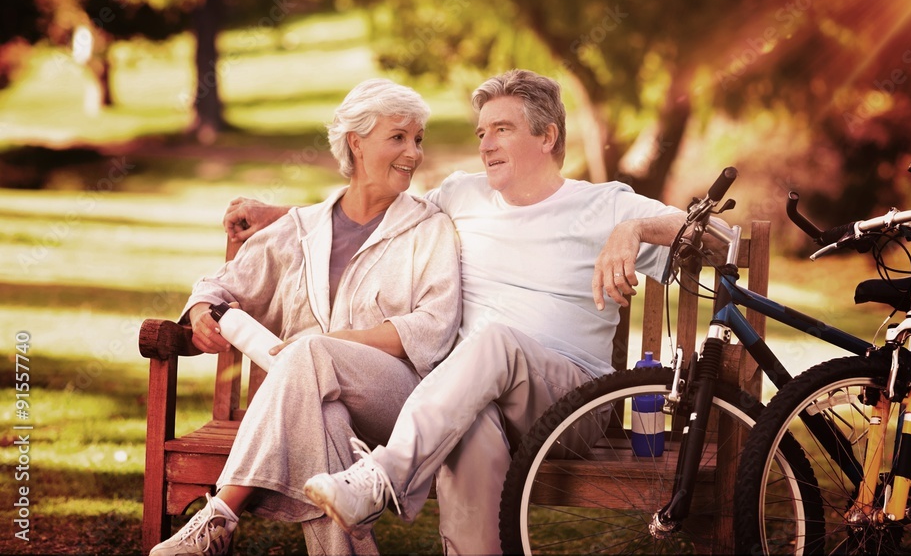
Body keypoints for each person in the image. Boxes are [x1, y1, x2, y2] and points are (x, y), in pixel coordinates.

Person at [226, 69, 704, 555]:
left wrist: (634, 230)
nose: (485, 144)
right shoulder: (462, 194)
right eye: (481, 132)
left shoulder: (604, 205)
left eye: (502, 129)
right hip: (474, 398)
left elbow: (712, 235)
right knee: (470, 423)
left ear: (547, 135)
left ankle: (382, 478)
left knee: (495, 341)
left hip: (570, 407)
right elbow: (377, 209)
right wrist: (280, 214)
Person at [149, 79, 462, 556]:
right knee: (325, 418)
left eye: (417, 139)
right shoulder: (301, 230)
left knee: (313, 349)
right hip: (311, 404)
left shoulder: (428, 227)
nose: (413, 153)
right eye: (397, 137)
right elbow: (221, 285)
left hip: (399, 405)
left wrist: (338, 342)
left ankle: (220, 514)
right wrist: (198, 311)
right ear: (356, 142)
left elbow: (433, 327)